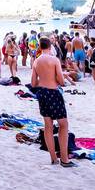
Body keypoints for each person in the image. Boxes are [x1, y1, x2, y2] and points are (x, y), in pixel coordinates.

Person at [31, 37, 74, 167]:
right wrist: (56, 79)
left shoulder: (36, 61)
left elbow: (33, 83)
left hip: (42, 93)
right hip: (53, 93)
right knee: (63, 125)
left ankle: (53, 158)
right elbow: (61, 81)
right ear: (50, 46)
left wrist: (43, 80)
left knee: (48, 126)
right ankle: (65, 159)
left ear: (39, 47)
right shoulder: (54, 60)